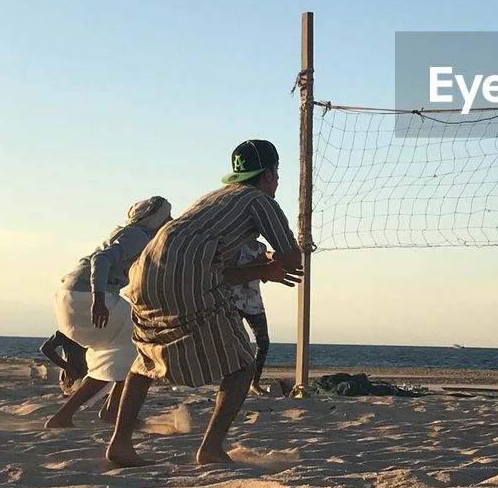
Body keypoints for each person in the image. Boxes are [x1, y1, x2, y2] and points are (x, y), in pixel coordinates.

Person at [106, 140, 303, 467]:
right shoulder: (260, 200)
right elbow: (292, 258)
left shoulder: (210, 199)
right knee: (242, 364)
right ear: (269, 174)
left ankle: (120, 444)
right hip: (187, 273)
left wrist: (262, 271)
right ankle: (211, 448)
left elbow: (216, 271)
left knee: (146, 357)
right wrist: (275, 259)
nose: (277, 181)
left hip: (145, 272)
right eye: (277, 174)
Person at [45, 197, 173, 428]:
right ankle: (111, 411)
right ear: (155, 219)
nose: (170, 221)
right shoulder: (139, 235)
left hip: (71, 295)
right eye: (166, 217)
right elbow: (101, 259)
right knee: (142, 347)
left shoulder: (131, 234)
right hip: (87, 296)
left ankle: (70, 415)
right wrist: (99, 298)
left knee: (117, 355)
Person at [231, 238, 272, 395]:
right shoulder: (237, 246)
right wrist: (257, 263)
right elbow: (234, 271)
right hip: (236, 301)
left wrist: (271, 264)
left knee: (263, 342)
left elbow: (264, 278)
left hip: (254, 302)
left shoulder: (262, 247)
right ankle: (234, 382)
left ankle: (254, 382)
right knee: (238, 343)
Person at [40, 331, 88, 396]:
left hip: (93, 376)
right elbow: (46, 348)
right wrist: (68, 368)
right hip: (74, 377)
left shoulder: (95, 328)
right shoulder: (69, 328)